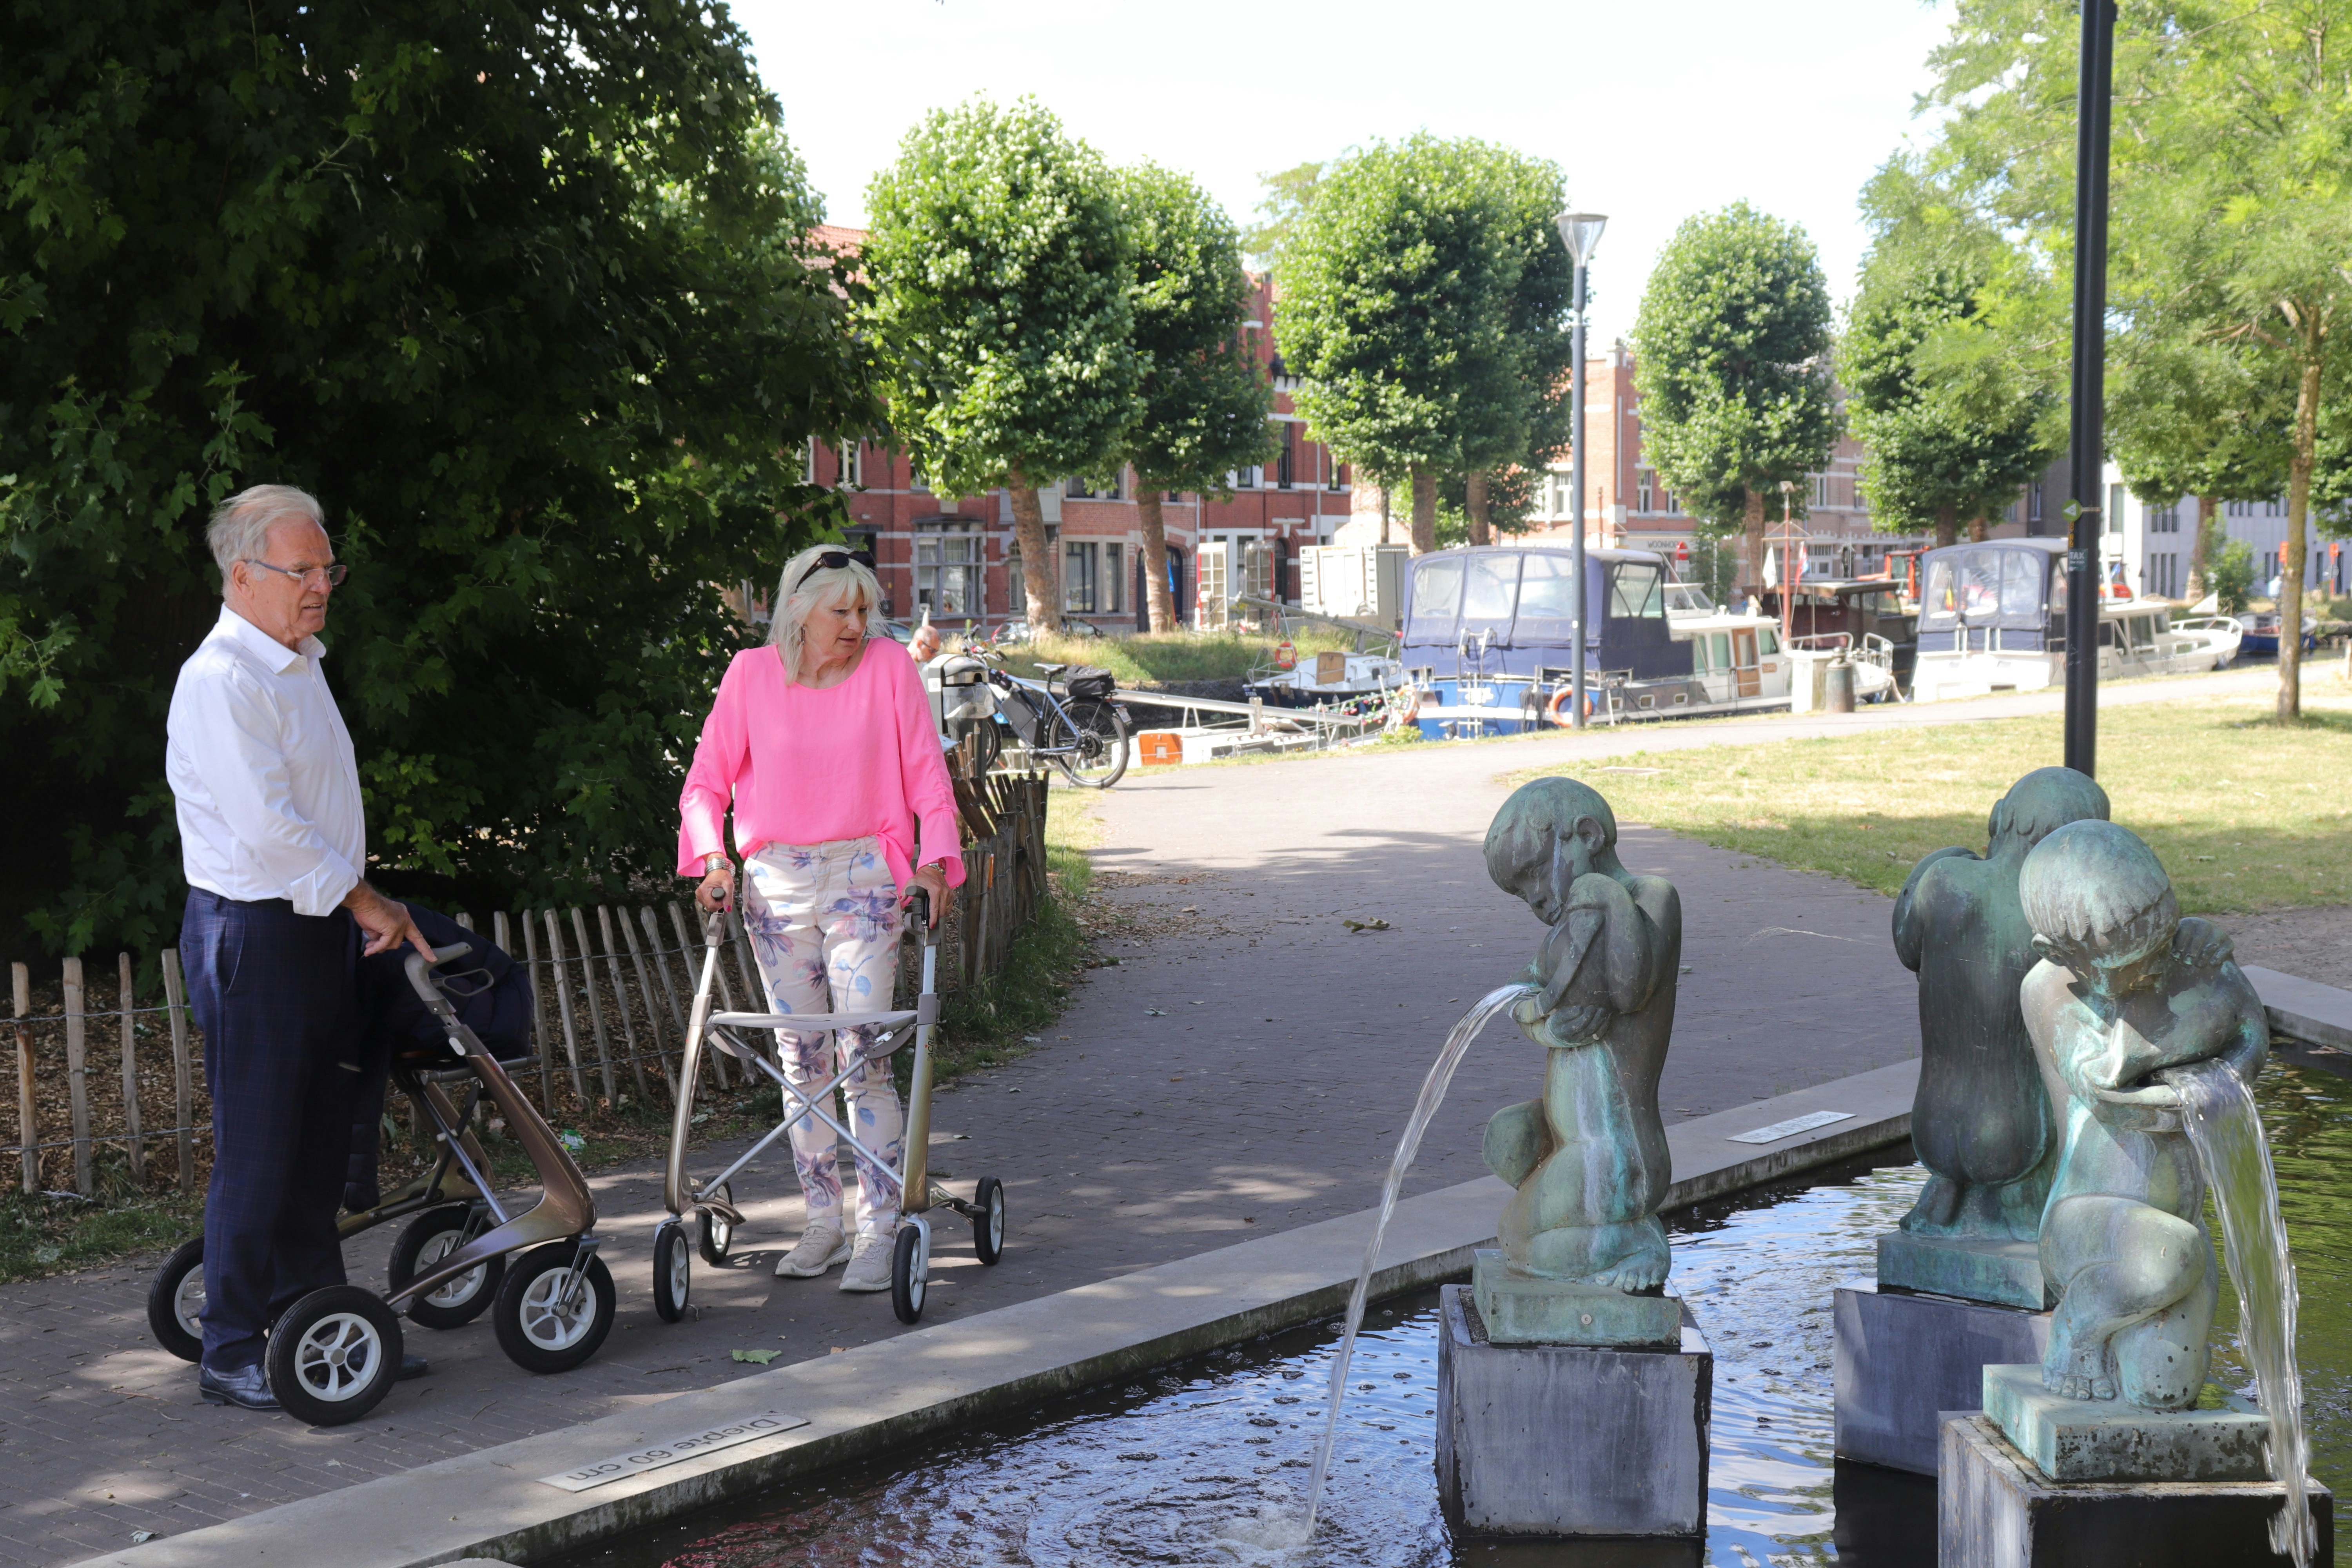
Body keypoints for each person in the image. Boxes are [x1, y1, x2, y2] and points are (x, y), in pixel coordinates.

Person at [165, 484, 432, 1410]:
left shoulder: (298, 660)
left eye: (329, 568)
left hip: (314, 927)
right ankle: (233, 1346)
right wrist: (369, 901)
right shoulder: (222, 680)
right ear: (243, 575)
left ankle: (319, 1323)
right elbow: (272, 831)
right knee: (260, 1148)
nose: (323, 586)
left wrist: (350, 906)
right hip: (258, 931)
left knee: (320, 1142)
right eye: (303, 570)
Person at [679, 544, 964, 1292]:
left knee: (862, 1049)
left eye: (864, 609)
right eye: (840, 610)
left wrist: (935, 863)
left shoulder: (889, 669)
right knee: (803, 1060)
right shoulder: (749, 676)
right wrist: (714, 860)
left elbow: (928, 777)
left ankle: (881, 1227)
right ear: (798, 611)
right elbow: (705, 786)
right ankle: (822, 1223)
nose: (856, 624)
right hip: (775, 884)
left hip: (867, 873)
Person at [2018, 820, 2263, 1407]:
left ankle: (2140, 1314)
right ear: (2063, 956)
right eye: (2136, 961)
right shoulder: (2050, 991)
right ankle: (2077, 1326)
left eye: (2164, 944)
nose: (2156, 968)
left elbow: (2254, 1031)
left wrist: (2210, 972)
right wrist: (2206, 995)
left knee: (2165, 1391)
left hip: (2175, 1228)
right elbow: (2112, 1086)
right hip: (2089, 1226)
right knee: (2168, 1256)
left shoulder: (2183, 959)